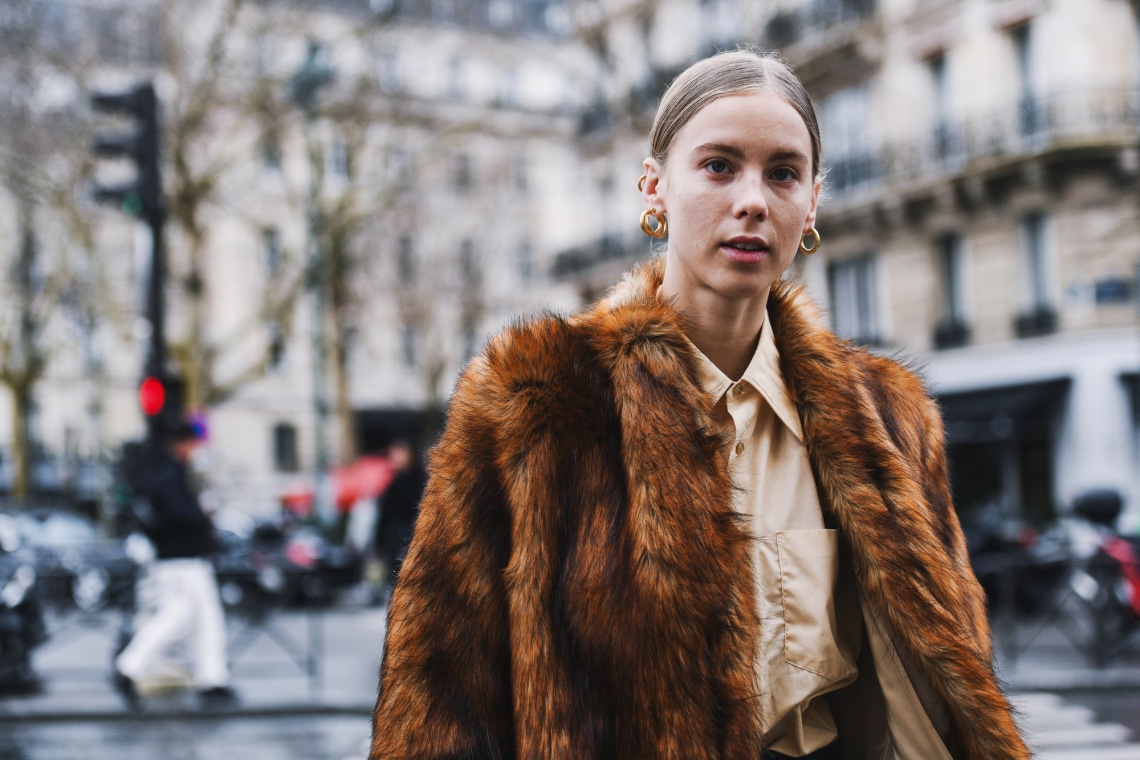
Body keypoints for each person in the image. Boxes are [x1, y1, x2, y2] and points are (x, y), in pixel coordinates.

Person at [370, 49, 1028, 759]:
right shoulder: (536, 401)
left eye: (783, 172)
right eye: (718, 166)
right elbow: (437, 705)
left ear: (810, 203)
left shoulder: (889, 415)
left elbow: (948, 677)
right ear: (654, 188)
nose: (753, 200)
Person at [114, 422, 236, 708]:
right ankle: (130, 666)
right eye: (194, 444)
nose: (197, 450)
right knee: (186, 618)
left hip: (178, 560)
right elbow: (179, 515)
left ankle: (212, 678)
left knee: (197, 618)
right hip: (182, 561)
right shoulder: (170, 475)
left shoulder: (163, 473)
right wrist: (202, 512)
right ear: (182, 444)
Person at [371, 440, 426, 600]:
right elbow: (384, 517)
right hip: (398, 543)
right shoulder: (394, 485)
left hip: (421, 540)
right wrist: (379, 544)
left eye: (400, 455)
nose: (397, 460)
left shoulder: (423, 481)